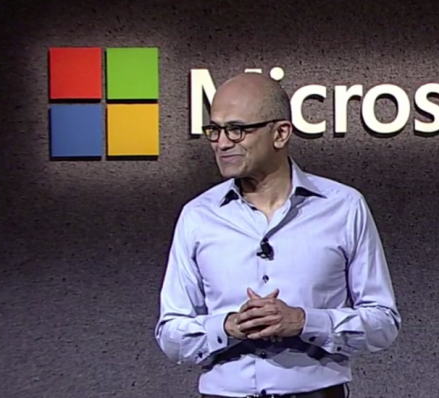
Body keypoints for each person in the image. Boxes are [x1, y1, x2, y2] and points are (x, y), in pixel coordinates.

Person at [154, 73, 401, 398]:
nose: (222, 143)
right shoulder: (198, 216)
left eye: (237, 129)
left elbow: (383, 322)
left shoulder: (343, 207)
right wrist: (227, 327)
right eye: (215, 130)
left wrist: (304, 322)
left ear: (281, 133)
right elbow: (171, 333)